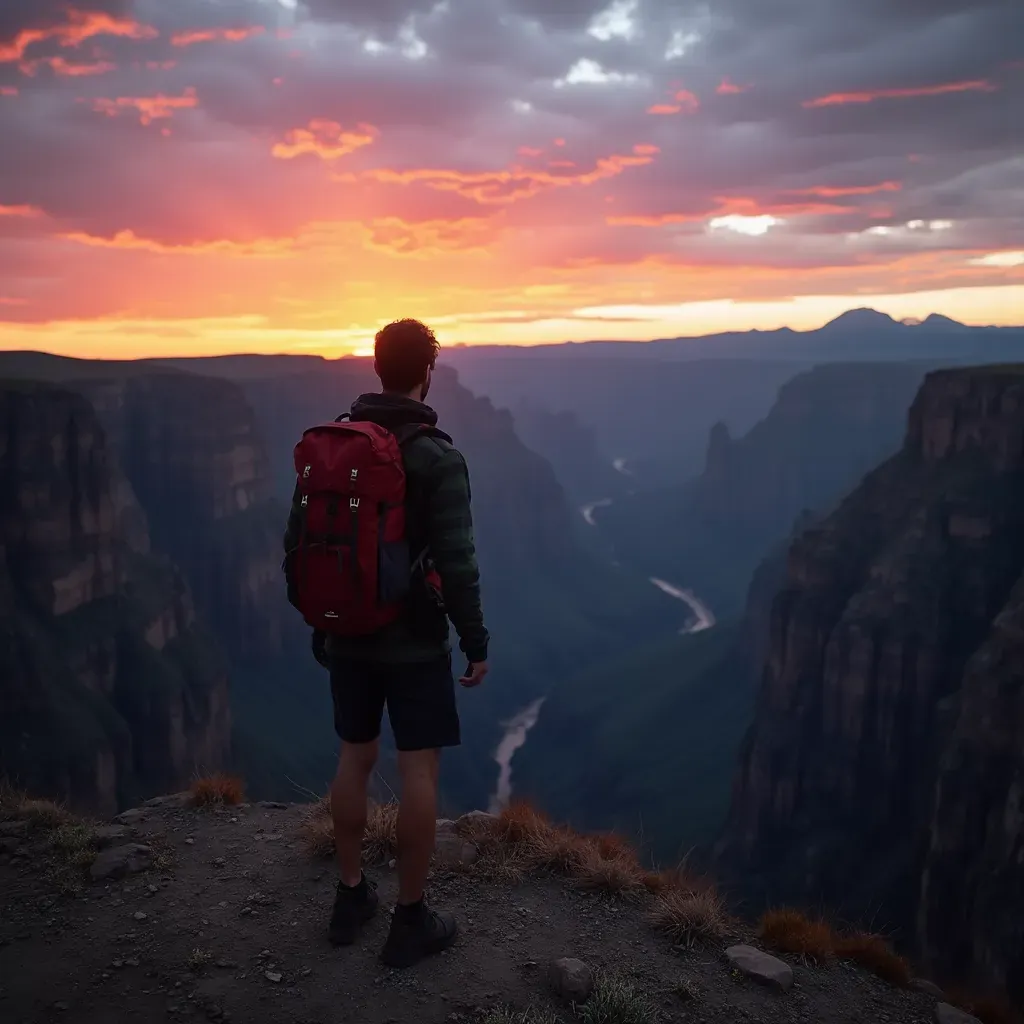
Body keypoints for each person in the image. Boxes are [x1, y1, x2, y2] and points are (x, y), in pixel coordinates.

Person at [283, 318, 489, 969]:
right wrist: (475, 639)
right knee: (418, 770)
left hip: (345, 632)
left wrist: (326, 622)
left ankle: (350, 897)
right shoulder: (437, 457)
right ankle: (411, 917)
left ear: (375, 368)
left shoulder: (334, 448)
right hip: (416, 643)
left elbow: (300, 548)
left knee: (355, 757)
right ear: (428, 371)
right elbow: (457, 563)